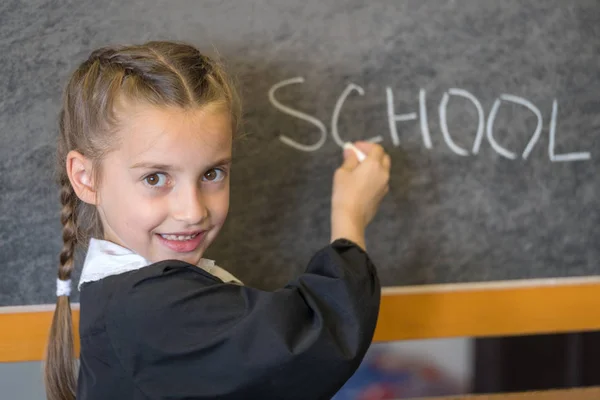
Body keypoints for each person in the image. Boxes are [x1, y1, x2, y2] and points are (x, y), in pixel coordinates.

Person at [44, 40, 391, 400]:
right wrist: (350, 214)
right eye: (155, 178)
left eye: (212, 173)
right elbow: (317, 337)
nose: (193, 211)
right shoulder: (151, 310)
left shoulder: (135, 295)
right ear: (86, 178)